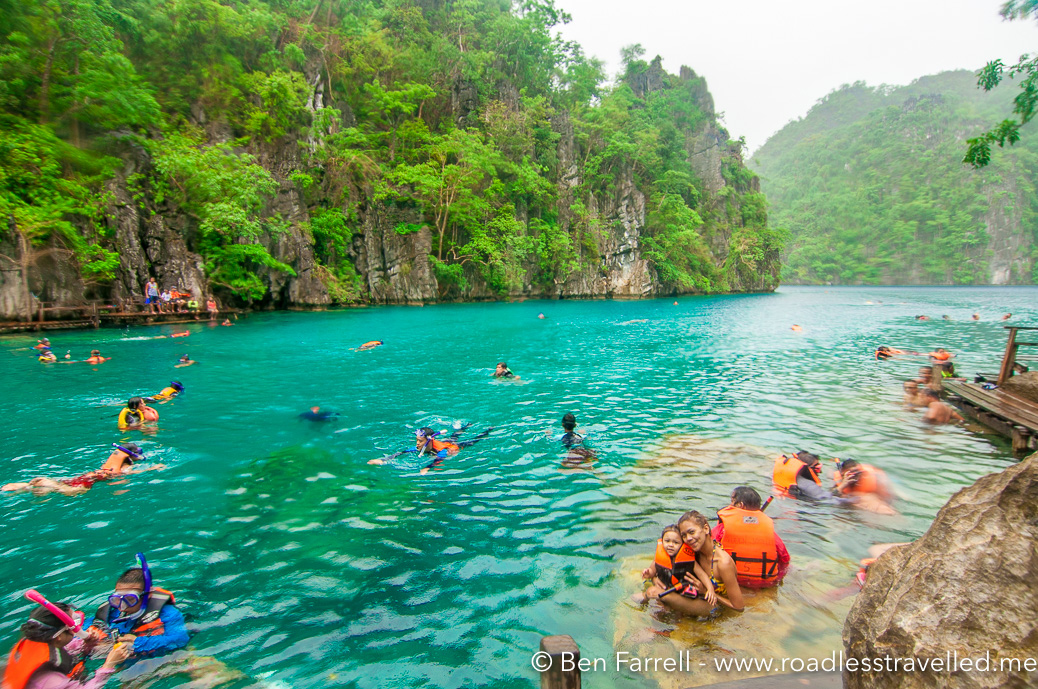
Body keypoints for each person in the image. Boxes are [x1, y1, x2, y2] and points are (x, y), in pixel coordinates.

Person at [3, 594, 130, 689]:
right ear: (58, 636)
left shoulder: (38, 641)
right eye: (74, 625)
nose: (78, 629)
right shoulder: (49, 680)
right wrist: (109, 665)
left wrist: (85, 644)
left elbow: (66, 647)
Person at [85, 560, 189, 660]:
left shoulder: (169, 614)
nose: (122, 607)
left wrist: (138, 642)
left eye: (130, 599)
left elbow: (180, 639)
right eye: (117, 599)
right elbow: (88, 624)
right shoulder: (113, 611)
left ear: (148, 595)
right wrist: (89, 634)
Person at [658, 511, 744, 616]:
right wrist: (655, 578)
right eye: (684, 535)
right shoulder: (692, 551)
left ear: (706, 529)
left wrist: (705, 591)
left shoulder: (723, 563)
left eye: (692, 532)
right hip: (696, 596)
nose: (688, 539)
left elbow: (739, 607)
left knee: (663, 596)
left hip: (718, 607)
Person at [2, 444, 164, 496]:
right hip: (89, 482)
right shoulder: (125, 466)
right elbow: (129, 474)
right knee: (64, 490)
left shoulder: (112, 461)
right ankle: (38, 484)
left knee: (60, 485)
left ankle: (27, 486)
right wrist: (151, 469)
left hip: (87, 475)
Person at [712, 487, 790, 589]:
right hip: (764, 584)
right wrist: (776, 579)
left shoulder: (722, 529)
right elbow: (785, 559)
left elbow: (706, 548)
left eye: (732, 502)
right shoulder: (771, 533)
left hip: (733, 582)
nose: (730, 506)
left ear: (740, 505)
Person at [637, 525, 715, 605]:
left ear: (683, 544)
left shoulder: (688, 559)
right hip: (666, 590)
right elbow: (652, 571)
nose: (671, 545)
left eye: (676, 542)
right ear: (662, 541)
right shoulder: (659, 556)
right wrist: (647, 572)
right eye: (667, 541)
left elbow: (702, 574)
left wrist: (710, 589)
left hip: (683, 595)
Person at [368, 425, 493, 475]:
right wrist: (382, 460)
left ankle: (487, 430)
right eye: (416, 440)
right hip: (443, 442)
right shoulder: (418, 448)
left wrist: (428, 467)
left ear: (428, 441)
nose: (417, 443)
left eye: (420, 441)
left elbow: (438, 460)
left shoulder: (441, 452)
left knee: (474, 440)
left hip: (452, 447)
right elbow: (400, 453)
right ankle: (466, 426)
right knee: (454, 435)